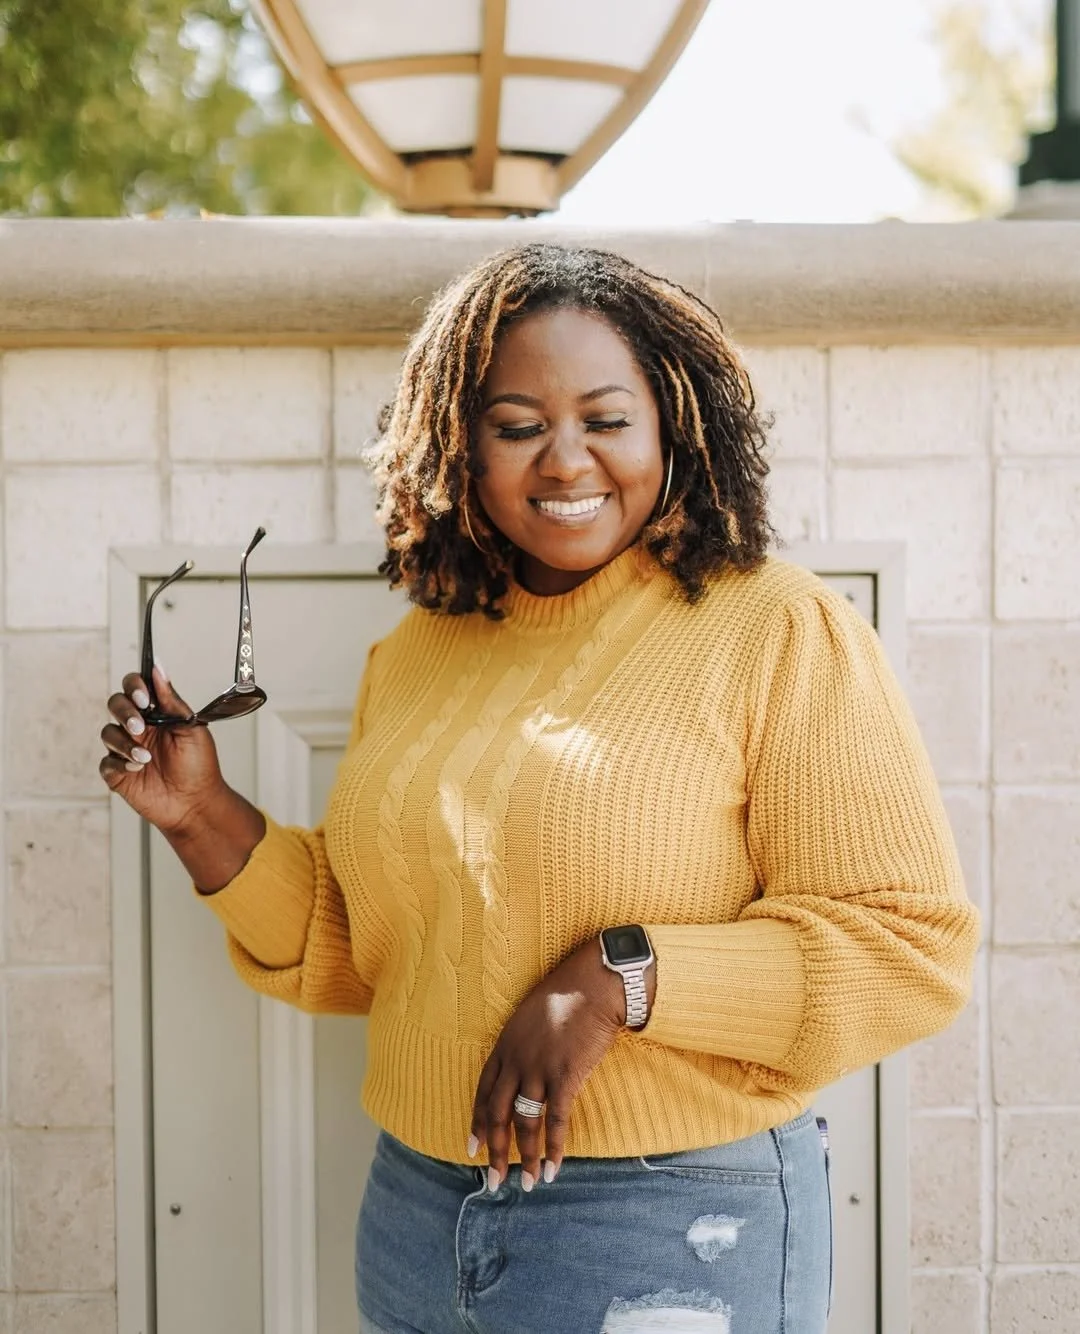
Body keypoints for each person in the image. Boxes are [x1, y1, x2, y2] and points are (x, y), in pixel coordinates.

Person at [100, 242, 980, 1334]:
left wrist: (618, 976)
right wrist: (202, 816)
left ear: (674, 425)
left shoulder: (778, 627)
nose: (565, 461)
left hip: (668, 1217)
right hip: (418, 1211)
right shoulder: (419, 651)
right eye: (517, 425)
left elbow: (907, 947)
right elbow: (358, 944)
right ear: (458, 446)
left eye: (606, 421)